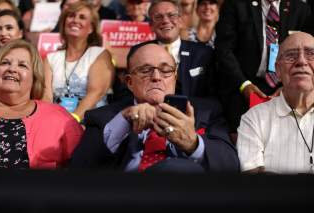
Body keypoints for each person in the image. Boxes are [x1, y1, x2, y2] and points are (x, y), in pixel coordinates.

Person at [70, 43, 239, 172]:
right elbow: (79, 169)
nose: (157, 77)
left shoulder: (207, 111)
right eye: (145, 70)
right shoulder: (104, 117)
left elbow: (231, 165)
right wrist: (122, 123)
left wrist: (193, 143)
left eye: (166, 71)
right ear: (129, 82)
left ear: (175, 77)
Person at [215, 0, 313, 142]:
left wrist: (286, 86)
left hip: (286, 87)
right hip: (243, 84)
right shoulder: (236, 4)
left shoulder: (300, 8)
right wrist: (244, 85)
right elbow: (224, 50)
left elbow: (309, 53)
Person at [0, 40, 83, 169]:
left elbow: (82, 167)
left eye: (22, 65)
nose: (12, 69)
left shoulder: (59, 117)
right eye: (5, 63)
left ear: (34, 78)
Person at [237, 32, 314, 174]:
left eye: (311, 54)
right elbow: (253, 182)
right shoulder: (253, 118)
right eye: (291, 55)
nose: (302, 61)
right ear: (277, 70)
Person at [43, 1, 115, 123]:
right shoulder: (51, 58)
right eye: (71, 16)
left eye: (82, 17)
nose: (75, 20)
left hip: (91, 123)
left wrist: (72, 120)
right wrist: (51, 122)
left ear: (91, 28)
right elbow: (46, 96)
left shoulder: (100, 54)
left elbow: (95, 93)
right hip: (56, 122)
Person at [130, 0, 216, 98]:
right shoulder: (138, 52)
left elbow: (212, 94)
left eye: (171, 15)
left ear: (180, 21)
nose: (166, 21)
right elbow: (128, 90)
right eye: (158, 17)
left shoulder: (203, 53)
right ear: (151, 26)